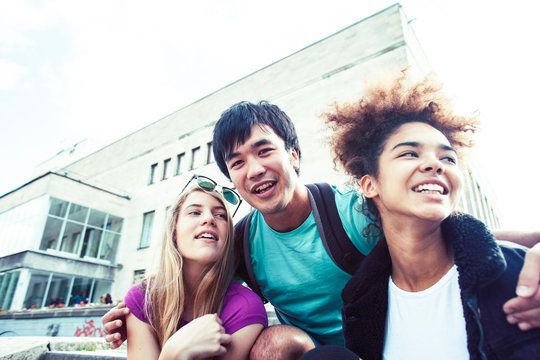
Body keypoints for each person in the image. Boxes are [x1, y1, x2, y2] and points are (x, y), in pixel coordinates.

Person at [103, 99, 540, 358]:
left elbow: (453, 234)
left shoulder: (348, 212)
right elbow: (197, 280)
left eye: (264, 151)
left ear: (293, 155)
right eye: (238, 163)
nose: (254, 169)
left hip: (385, 340)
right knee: (272, 341)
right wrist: (133, 311)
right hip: (318, 355)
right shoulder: (241, 242)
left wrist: (535, 248)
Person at [307, 72, 540, 359]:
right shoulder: (360, 308)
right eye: (409, 154)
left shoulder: (521, 275)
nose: (434, 164)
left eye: (448, 158)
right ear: (370, 184)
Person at [123, 175, 267, 360]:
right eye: (195, 212)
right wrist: (172, 355)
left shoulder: (246, 307)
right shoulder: (141, 298)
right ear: (174, 230)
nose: (209, 219)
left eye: (220, 215)